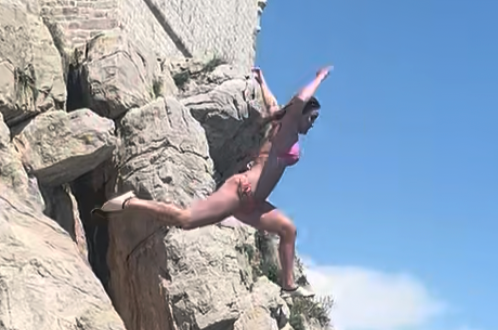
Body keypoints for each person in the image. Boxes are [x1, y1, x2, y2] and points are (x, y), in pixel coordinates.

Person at [97, 65, 332, 297]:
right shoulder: (288, 128)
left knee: (288, 230)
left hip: (256, 205)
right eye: (312, 118)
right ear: (300, 114)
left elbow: (272, 103)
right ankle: (131, 202)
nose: (312, 124)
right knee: (186, 219)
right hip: (241, 192)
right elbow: (300, 99)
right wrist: (319, 77)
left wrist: (262, 82)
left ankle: (288, 286)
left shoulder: (281, 123)